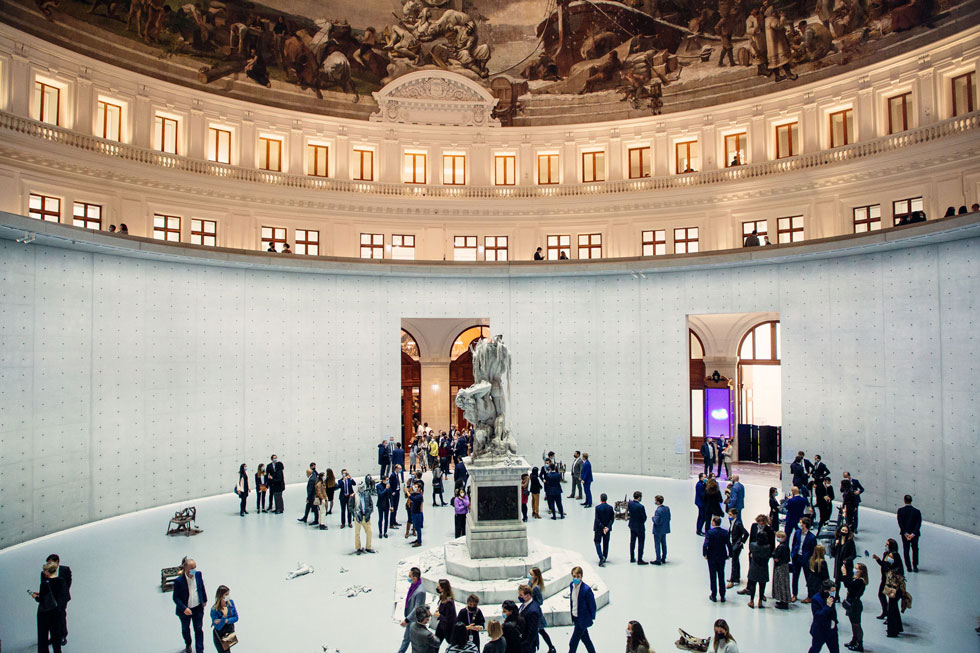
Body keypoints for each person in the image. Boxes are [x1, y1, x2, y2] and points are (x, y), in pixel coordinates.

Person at [172, 556, 207, 653]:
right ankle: (188, 643)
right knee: (185, 629)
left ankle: (200, 650)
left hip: (197, 608)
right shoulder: (179, 581)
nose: (194, 570)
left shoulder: (198, 575)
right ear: (185, 569)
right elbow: (175, 598)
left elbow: (201, 587)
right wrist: (184, 608)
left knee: (199, 629)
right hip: (185, 611)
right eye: (192, 569)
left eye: (195, 568)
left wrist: (204, 599)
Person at [33, 559, 68, 653]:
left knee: (43, 635)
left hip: (45, 613)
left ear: (48, 572)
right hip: (56, 612)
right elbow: (63, 595)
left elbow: (41, 599)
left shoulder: (44, 584)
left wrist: (35, 596)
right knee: (56, 635)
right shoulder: (61, 581)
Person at [567, 567, 597, 653]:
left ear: (581, 576)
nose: (576, 578)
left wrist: (590, 618)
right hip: (576, 617)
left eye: (578, 576)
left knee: (573, 643)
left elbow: (592, 605)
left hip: (582, 619)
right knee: (586, 640)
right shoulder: (571, 585)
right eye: (574, 576)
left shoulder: (586, 590)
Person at [872, 539, 903, 620]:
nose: (885, 546)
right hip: (884, 578)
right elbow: (884, 565)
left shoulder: (895, 555)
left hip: (891, 580)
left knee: (891, 598)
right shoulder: (886, 554)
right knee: (881, 594)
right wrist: (878, 559)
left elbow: (898, 567)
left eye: (887, 544)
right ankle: (885, 611)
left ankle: (890, 615)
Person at [398, 567, 426, 653]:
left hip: (413, 620)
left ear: (415, 577)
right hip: (411, 618)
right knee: (407, 639)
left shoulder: (420, 591)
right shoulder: (414, 585)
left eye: (410, 576)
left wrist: (407, 619)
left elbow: (416, 608)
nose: (408, 577)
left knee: (408, 639)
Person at [528, 567, 556, 653]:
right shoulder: (530, 583)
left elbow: (540, 601)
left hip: (536, 612)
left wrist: (532, 602)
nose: (529, 576)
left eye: (531, 574)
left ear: (535, 576)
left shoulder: (536, 588)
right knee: (540, 631)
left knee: (541, 630)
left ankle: (551, 647)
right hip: (531, 610)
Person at [703, 516, 731, 602]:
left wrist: (705, 554)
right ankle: (722, 595)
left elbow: (705, 545)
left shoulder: (710, 533)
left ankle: (714, 594)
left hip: (711, 557)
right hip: (722, 556)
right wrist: (730, 554)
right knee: (721, 575)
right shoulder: (725, 533)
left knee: (713, 576)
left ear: (713, 522)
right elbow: (728, 544)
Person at [841, 563, 868, 651]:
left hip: (855, 605)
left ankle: (860, 644)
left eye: (857, 569)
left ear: (861, 571)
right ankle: (854, 640)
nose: (855, 570)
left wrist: (844, 574)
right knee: (853, 623)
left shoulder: (860, 581)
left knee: (856, 625)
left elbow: (847, 585)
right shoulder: (856, 579)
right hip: (852, 603)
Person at [808, 579, 839, 653]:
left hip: (831, 630)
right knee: (815, 649)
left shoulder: (831, 597)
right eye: (832, 591)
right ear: (825, 590)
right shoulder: (816, 599)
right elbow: (818, 615)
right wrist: (827, 606)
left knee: (835, 650)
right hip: (820, 631)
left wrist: (835, 622)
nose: (834, 593)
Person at [745, 525, 772, 608]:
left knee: (753, 584)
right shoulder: (768, 547)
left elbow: (751, 553)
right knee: (762, 585)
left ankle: (752, 601)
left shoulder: (753, 545)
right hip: (763, 567)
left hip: (754, 567)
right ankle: (760, 600)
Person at [792, 517, 817, 602]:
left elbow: (814, 551)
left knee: (808, 578)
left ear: (805, 524)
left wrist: (811, 560)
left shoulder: (812, 537)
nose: (799, 524)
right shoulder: (797, 532)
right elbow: (794, 544)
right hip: (796, 557)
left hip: (806, 559)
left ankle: (810, 596)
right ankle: (794, 594)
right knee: (795, 577)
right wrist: (793, 554)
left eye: (801, 522)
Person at [896, 495, 921, 572]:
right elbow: (918, 523)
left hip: (905, 535)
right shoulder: (917, 511)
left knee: (906, 550)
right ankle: (915, 566)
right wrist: (913, 534)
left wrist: (905, 533)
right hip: (915, 535)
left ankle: (908, 567)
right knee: (915, 549)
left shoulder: (900, 511)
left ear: (904, 501)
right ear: (911, 501)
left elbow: (900, 523)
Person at [209, 585, 238, 653]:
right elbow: (218, 627)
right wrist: (224, 616)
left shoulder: (231, 603)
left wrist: (225, 620)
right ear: (221, 596)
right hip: (220, 635)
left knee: (228, 650)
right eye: (226, 594)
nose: (228, 596)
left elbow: (236, 617)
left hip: (229, 632)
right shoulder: (214, 610)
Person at [353, 475, 376, 554]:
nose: (362, 489)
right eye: (360, 487)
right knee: (357, 533)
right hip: (358, 517)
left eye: (363, 487)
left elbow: (371, 506)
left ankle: (368, 547)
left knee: (369, 532)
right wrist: (356, 514)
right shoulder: (354, 496)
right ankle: (358, 548)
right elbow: (350, 507)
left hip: (366, 517)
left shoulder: (367, 495)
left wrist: (368, 514)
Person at [726, 508, 748, 589]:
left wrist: (741, 542)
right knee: (736, 561)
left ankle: (732, 580)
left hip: (736, 545)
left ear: (735, 515)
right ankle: (736, 577)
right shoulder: (732, 522)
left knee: (734, 562)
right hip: (733, 544)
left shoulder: (738, 524)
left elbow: (746, 533)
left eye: (731, 514)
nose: (729, 516)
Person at [831, 526, 856, 595]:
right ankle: (836, 595)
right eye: (843, 530)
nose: (844, 532)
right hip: (838, 563)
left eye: (845, 530)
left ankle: (850, 596)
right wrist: (835, 545)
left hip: (847, 565)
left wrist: (847, 560)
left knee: (847, 581)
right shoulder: (837, 539)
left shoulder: (850, 542)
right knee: (837, 581)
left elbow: (853, 554)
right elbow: (832, 553)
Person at [517, 584, 542, 652]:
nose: (519, 597)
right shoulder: (524, 605)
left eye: (521, 595)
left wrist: (525, 645)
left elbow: (532, 632)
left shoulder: (533, 611)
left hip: (527, 646)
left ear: (527, 595)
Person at [772, 530, 792, 609]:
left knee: (782, 583)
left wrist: (774, 554)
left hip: (781, 567)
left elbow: (775, 554)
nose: (778, 538)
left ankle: (784, 601)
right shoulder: (783, 546)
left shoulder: (782, 547)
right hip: (783, 566)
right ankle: (782, 600)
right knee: (782, 583)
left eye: (780, 537)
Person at [434, 579, 458, 646]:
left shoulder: (449, 602)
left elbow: (449, 618)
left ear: (443, 588)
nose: (437, 588)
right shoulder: (443, 597)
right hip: (442, 625)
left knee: (452, 643)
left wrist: (439, 615)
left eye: (438, 586)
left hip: (449, 627)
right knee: (435, 643)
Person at [627, 491, 648, 565]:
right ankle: (640, 559)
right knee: (641, 543)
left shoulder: (630, 504)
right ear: (639, 497)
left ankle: (632, 557)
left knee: (632, 542)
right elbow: (644, 517)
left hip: (632, 526)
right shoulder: (641, 507)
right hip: (640, 527)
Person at [593, 493, 614, 566]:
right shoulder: (610, 508)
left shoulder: (597, 508)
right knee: (606, 543)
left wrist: (602, 527)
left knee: (597, 541)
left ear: (600, 499)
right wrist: (607, 527)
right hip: (607, 530)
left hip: (599, 529)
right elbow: (612, 519)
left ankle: (601, 556)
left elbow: (597, 519)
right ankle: (605, 556)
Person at [651, 494, 671, 564]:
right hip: (664, 529)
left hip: (658, 530)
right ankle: (664, 558)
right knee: (664, 544)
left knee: (657, 545)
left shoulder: (658, 511)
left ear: (658, 502)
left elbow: (656, 521)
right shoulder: (667, 508)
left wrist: (653, 518)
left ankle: (658, 559)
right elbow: (669, 518)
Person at [410, 482, 425, 546]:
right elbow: (411, 494)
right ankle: (418, 539)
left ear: (419, 488)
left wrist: (408, 493)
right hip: (414, 513)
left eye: (416, 487)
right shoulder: (416, 494)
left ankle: (419, 542)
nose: (414, 488)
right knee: (416, 527)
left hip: (417, 514)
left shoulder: (419, 496)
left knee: (418, 528)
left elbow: (412, 498)